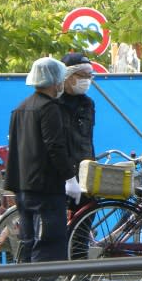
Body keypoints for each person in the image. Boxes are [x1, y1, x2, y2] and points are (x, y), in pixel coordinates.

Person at [6, 57, 81, 264]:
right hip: (45, 187)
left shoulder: (20, 108)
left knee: (27, 240)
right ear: (56, 81)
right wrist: (70, 178)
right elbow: (55, 146)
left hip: (22, 186)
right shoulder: (49, 108)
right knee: (48, 242)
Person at [59, 52, 96, 195]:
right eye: (82, 75)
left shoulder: (87, 104)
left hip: (85, 173)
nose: (86, 80)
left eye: (90, 76)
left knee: (87, 215)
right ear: (66, 75)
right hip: (61, 175)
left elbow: (88, 139)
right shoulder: (53, 104)